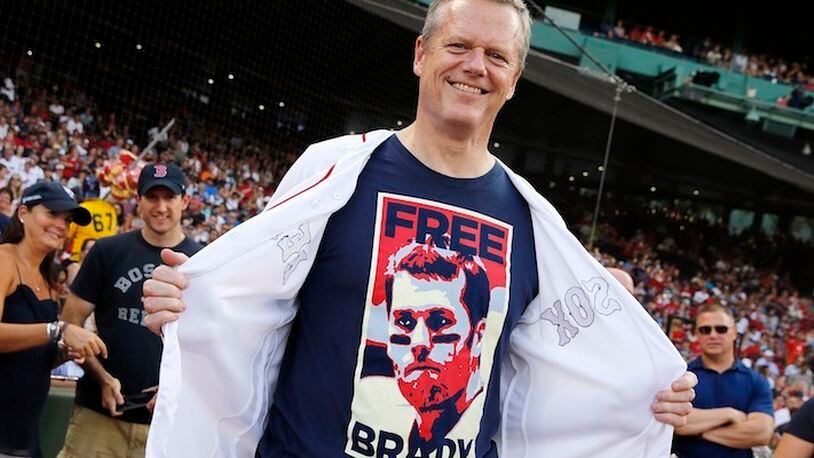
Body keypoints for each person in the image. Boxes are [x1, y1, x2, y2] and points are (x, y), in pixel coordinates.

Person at [143, 1, 696, 456]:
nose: (475, 66)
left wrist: (647, 389)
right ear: (421, 53)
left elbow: (554, 377)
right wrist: (187, 303)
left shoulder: (534, 224)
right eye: (458, 46)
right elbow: (251, 308)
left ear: (514, 80)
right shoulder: (332, 172)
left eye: (496, 55)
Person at [57, 163, 201, 458]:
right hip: (98, 417)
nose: (161, 207)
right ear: (139, 201)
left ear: (184, 201)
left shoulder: (202, 260)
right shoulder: (108, 251)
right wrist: (102, 377)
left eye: (169, 197)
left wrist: (178, 389)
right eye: (152, 197)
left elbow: (213, 343)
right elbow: (71, 323)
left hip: (167, 428)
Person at [0, 181, 106, 458]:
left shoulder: (47, 277)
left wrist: (64, 353)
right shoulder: (3, 260)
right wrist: (58, 330)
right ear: (23, 212)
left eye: (67, 220)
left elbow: (29, 353)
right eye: (52, 213)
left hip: (24, 429)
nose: (61, 224)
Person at [673, 304, 774, 457]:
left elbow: (761, 433)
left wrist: (697, 430)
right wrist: (728, 414)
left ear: (734, 332)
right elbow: (676, 421)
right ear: (697, 335)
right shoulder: (682, 377)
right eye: (705, 330)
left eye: (721, 329)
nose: (713, 335)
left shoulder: (756, 381)